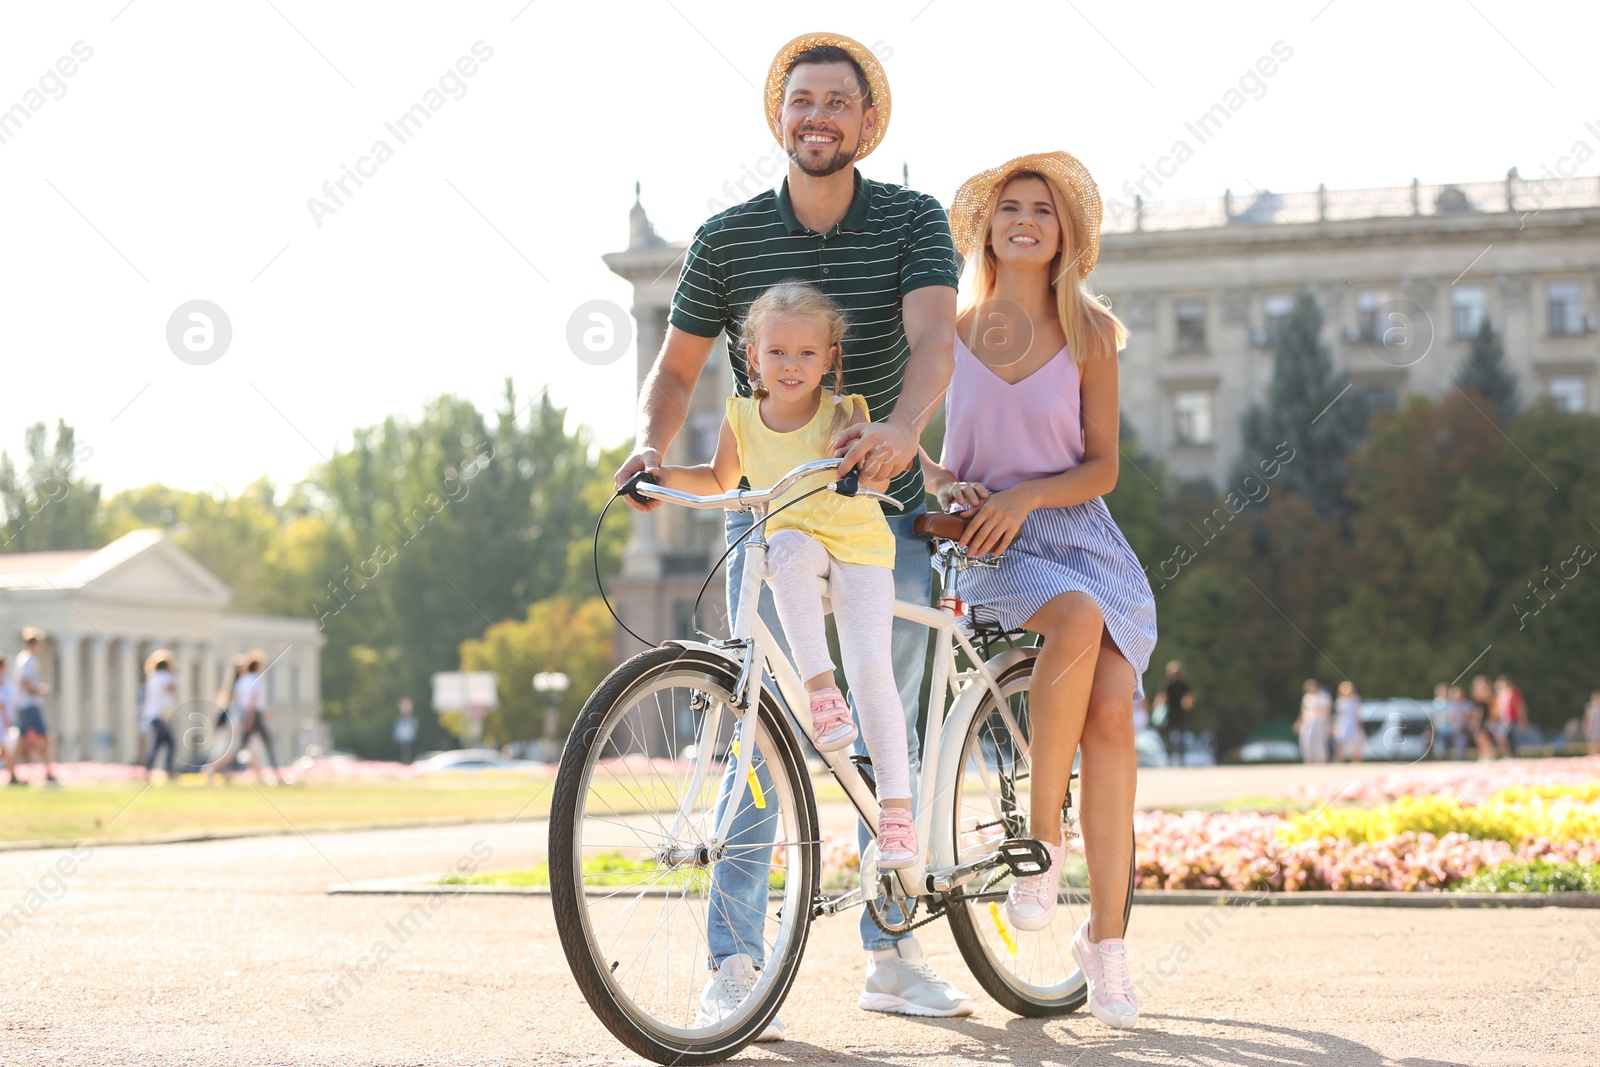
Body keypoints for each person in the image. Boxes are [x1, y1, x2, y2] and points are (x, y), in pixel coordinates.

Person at [613, 33, 969, 1033]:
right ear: (779, 116)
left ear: (865, 123)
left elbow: (935, 337)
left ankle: (893, 952)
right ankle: (734, 961)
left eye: (835, 104)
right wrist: (648, 446)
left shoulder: (908, 218)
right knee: (752, 744)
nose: (816, 117)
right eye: (799, 101)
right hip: (766, 520)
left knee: (875, 732)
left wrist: (903, 430)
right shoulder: (727, 238)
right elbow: (677, 371)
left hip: (873, 514)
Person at [922, 151, 1156, 1029]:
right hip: (991, 543)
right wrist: (947, 483)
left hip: (1080, 536)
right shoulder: (951, 327)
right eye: (1012, 207)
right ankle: (1042, 844)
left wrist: (1029, 492)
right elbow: (914, 439)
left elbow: (1103, 466)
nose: (1026, 220)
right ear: (988, 226)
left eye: (1044, 210)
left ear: (1066, 234)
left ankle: (1107, 947)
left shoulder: (1093, 330)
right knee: (1077, 621)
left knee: (1112, 713)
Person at [652, 281, 919, 871]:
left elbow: (874, 478)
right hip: (800, 545)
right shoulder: (741, 419)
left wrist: (870, 472)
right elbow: (720, 480)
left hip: (858, 548)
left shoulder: (846, 412)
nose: (791, 366)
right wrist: (658, 475)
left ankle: (897, 814)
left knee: (872, 668)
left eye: (805, 354)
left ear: (829, 359)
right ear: (753, 357)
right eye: (777, 352)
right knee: (786, 545)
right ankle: (820, 693)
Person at [12, 628, 59, 786]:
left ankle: (12, 774)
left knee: (22, 741)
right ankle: (48, 772)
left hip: (24, 706)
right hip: (29, 706)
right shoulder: (27, 660)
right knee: (46, 737)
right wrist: (39, 690)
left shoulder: (25, 659)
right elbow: (24, 682)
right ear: (34, 643)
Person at [232, 652, 281, 785]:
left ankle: (228, 770)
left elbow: (238, 698)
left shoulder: (242, 679)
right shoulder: (256, 680)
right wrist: (251, 718)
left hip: (246, 714)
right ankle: (277, 773)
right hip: (253, 716)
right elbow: (253, 702)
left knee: (241, 745)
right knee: (268, 743)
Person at [204, 655, 248, 782]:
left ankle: (223, 772)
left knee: (227, 749)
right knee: (230, 749)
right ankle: (212, 770)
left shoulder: (232, 685)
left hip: (231, 721)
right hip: (235, 721)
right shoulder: (242, 684)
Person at [141, 650, 178, 780]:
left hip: (153, 715)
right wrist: (173, 675)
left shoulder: (152, 676)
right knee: (169, 744)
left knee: (158, 744)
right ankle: (169, 771)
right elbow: (171, 688)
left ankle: (148, 771)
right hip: (161, 716)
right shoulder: (164, 676)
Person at [1159, 661, 1194, 765]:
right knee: (1168, 736)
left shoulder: (1182, 684)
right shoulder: (1167, 684)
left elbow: (1189, 697)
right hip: (1169, 713)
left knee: (1181, 736)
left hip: (1178, 712)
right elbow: (1163, 697)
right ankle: (1170, 757)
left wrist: (1187, 704)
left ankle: (1181, 758)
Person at [1294, 679, 1331, 764]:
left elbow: (1328, 711)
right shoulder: (1306, 697)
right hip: (1308, 723)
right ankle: (1309, 761)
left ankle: (1321, 762)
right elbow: (1303, 712)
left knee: (1319, 743)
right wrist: (1299, 722)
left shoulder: (1323, 696)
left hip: (1320, 722)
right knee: (1306, 742)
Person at [1333, 680, 1363, 763]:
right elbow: (1339, 715)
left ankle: (1356, 760)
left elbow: (1357, 713)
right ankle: (1339, 760)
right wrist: (1335, 725)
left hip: (1353, 722)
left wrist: (1359, 723)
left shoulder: (1355, 699)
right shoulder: (1339, 701)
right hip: (1343, 723)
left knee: (1357, 742)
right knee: (1340, 742)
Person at [1494, 675, 1523, 757]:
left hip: (1512, 718)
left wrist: (1522, 719)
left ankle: (1513, 754)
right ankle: (1509, 754)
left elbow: (1519, 707)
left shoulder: (1513, 693)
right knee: (1503, 736)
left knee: (1510, 736)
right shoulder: (1500, 694)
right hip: (1503, 719)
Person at [1470, 675, 1497, 759]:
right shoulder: (1476, 695)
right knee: (1478, 737)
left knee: (1484, 737)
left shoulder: (1489, 695)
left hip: (1486, 718)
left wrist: (1492, 720)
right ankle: (1484, 754)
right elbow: (1477, 709)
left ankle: (1489, 755)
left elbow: (1491, 708)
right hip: (1480, 718)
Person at [0, 652, 17, 786]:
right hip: (2, 722)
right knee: (7, 749)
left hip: (5, 722)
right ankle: (12, 776)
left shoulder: (6, 683)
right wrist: (7, 722)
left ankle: (12, 776)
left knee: (7, 750)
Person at [1447, 685, 1472, 761]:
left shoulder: (1467, 704)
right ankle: (1459, 755)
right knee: (1457, 741)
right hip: (1455, 726)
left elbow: (1469, 715)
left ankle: (1462, 756)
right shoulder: (1451, 705)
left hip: (1464, 726)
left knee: (1462, 741)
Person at [1430, 682, 1453, 760]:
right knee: (1441, 744)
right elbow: (1434, 715)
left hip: (1450, 728)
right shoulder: (1437, 702)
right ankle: (1443, 757)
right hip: (1440, 727)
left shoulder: (1450, 702)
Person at [1583, 691, 1600, 755]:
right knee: (1593, 744)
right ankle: (1592, 756)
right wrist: (1586, 728)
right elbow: (1587, 719)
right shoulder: (1590, 707)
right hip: (1593, 727)